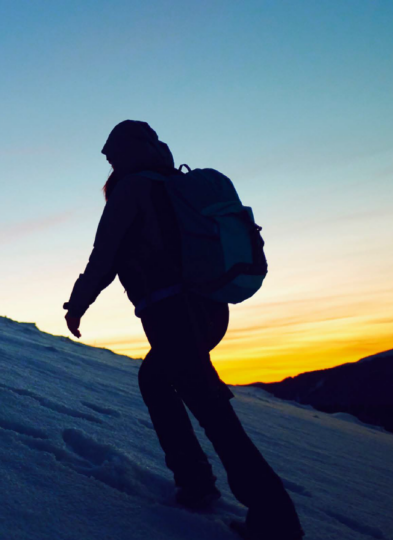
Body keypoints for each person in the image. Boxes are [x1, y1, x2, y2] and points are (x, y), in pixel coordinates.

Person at [64, 121, 303, 540]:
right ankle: (195, 482)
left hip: (173, 311)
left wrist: (78, 302)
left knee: (211, 410)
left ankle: (274, 517)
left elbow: (105, 254)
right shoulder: (175, 183)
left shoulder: (133, 188)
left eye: (111, 152)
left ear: (127, 151)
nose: (108, 159)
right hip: (209, 309)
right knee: (156, 380)